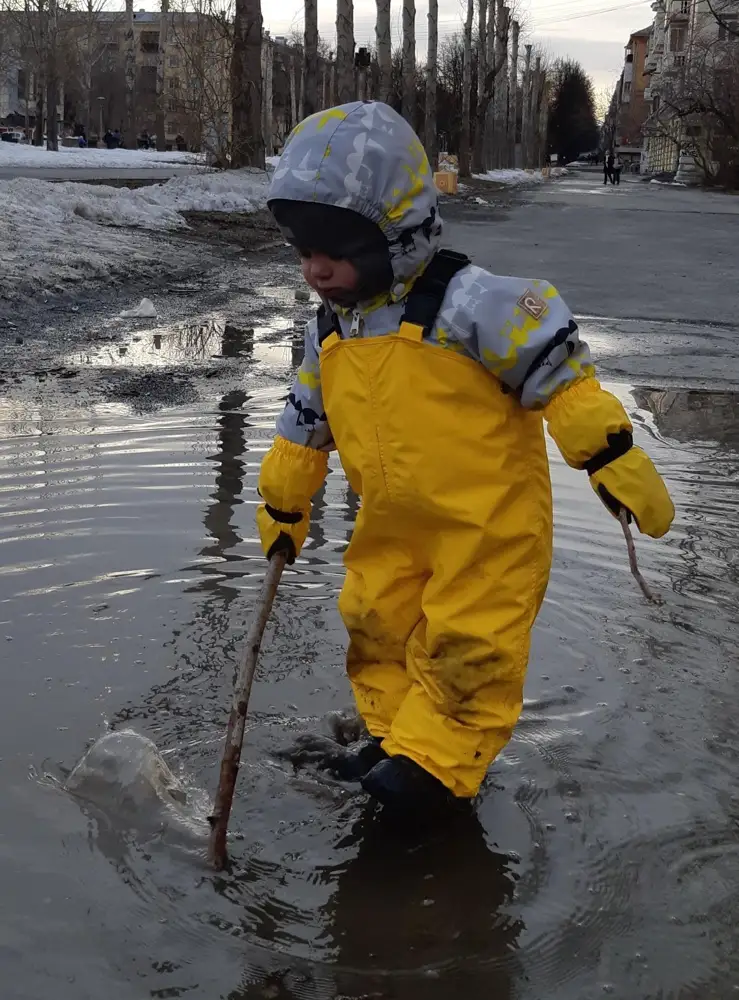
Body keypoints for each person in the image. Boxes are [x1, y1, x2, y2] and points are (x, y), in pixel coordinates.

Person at [258, 101, 674, 821]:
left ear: (400, 231)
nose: (316, 269)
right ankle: (396, 737)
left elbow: (557, 368)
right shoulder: (326, 333)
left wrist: (605, 452)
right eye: (302, 250)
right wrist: (283, 502)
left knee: (467, 644)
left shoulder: (466, 305)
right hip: (391, 527)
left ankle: (442, 764)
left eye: (338, 249)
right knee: (373, 620)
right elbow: (305, 423)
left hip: (486, 531)